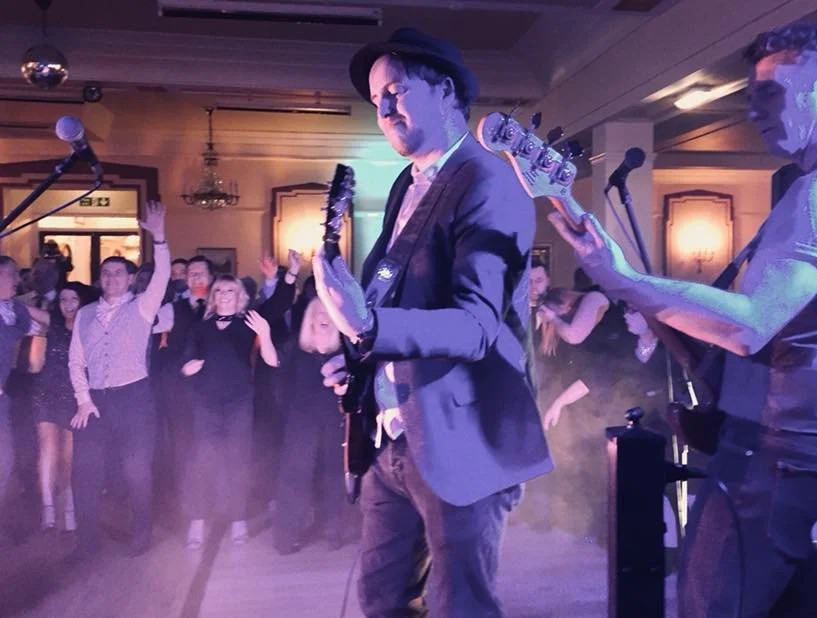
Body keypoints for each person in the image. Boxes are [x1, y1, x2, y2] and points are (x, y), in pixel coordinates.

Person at [548, 22, 817, 617]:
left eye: (771, 91)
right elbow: (805, 332)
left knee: (713, 602)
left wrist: (624, 281)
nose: (752, 108)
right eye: (751, 94)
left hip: (786, 452)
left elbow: (752, 325)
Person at [313, 27, 552, 616]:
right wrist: (358, 360)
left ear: (446, 91)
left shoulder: (489, 181)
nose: (384, 109)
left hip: (460, 440)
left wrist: (369, 328)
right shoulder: (407, 183)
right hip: (393, 435)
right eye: (376, 101)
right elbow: (402, 296)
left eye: (395, 89)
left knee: (459, 606)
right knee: (381, 599)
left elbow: (474, 326)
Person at [68, 201, 169, 561]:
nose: (111, 278)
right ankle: (86, 542)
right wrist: (83, 399)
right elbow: (75, 360)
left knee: (136, 469)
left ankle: (141, 533)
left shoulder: (142, 305)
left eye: (117, 273)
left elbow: (162, 276)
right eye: (105, 274)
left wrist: (159, 238)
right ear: (99, 280)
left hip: (134, 399)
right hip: (94, 401)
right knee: (85, 471)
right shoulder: (85, 313)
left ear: (129, 279)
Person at [180, 257, 296, 548]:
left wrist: (292, 273)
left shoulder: (248, 321)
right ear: (213, 297)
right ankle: (197, 520)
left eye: (230, 291)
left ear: (240, 296)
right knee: (203, 461)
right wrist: (188, 366)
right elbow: (184, 359)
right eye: (219, 291)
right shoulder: (200, 327)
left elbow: (279, 303)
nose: (224, 296)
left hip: (239, 402)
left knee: (238, 460)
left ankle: (238, 519)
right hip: (205, 401)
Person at [272, 298, 357, 554]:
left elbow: (356, 383)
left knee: (333, 475)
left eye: (329, 312)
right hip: (300, 420)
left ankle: (334, 530)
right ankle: (287, 537)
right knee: (295, 478)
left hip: (335, 419)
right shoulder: (296, 349)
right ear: (309, 317)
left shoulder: (345, 349)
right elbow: (277, 377)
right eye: (318, 312)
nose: (324, 316)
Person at [30, 282, 95, 532]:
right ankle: (48, 507)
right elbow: (21, 308)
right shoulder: (53, 323)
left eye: (73, 299)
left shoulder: (90, 327)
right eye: (63, 300)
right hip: (45, 390)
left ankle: (68, 504)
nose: (68, 305)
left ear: (82, 302)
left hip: (75, 395)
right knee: (47, 447)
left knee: (70, 454)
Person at [0, 257, 49, 538]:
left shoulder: (14, 309)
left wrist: (25, 307)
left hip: (4, 396)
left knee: (5, 462)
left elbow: (50, 323)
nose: (18, 281)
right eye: (12, 275)